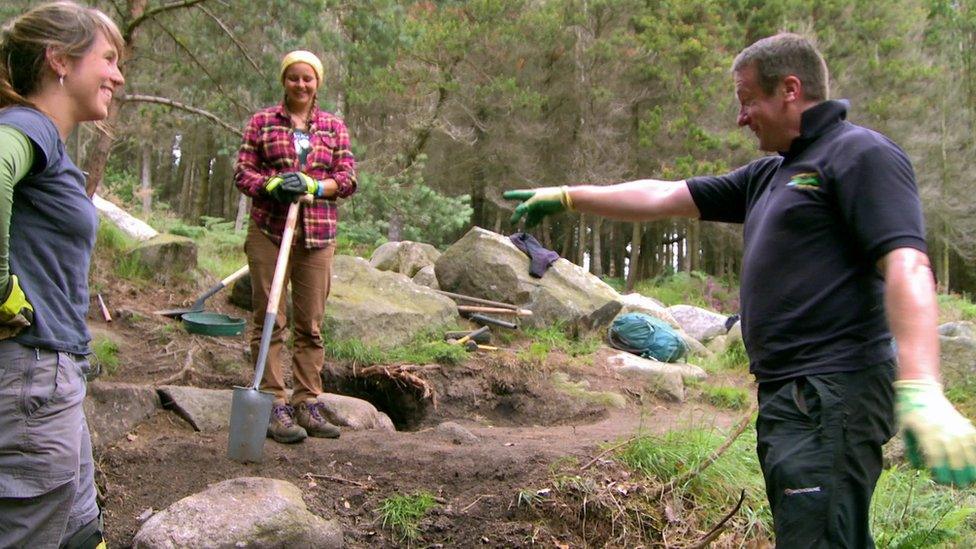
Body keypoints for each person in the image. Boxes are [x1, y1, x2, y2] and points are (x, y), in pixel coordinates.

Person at [505, 33, 976, 547]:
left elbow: (908, 263)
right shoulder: (769, 174)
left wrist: (922, 385)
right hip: (789, 397)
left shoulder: (860, 154)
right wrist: (571, 197)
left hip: (830, 391)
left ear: (790, 89)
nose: (741, 116)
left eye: (748, 99)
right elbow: (664, 195)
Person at [0, 2, 125, 547]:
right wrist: (1, 288)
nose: (118, 76)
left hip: (55, 376)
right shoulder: (28, 125)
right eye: (109, 59)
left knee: (79, 530)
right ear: (58, 60)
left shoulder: (46, 142)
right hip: (30, 376)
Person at [235, 50, 357, 444]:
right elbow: (243, 171)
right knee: (271, 320)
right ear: (284, 81)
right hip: (269, 230)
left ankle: (307, 401)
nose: (301, 85)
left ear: (317, 83)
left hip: (318, 234)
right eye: (294, 78)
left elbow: (348, 178)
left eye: (308, 79)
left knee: (311, 324)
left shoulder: (333, 127)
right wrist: (270, 185)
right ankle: (272, 402)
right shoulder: (262, 123)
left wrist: (317, 187)